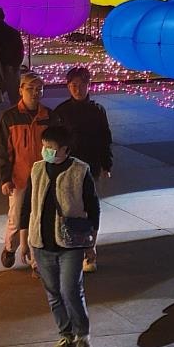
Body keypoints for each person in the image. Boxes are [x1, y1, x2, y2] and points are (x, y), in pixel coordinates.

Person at [19, 125, 99, 347]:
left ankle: (82, 336)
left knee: (70, 290)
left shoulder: (80, 171)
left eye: (51, 148)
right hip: (41, 243)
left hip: (71, 243)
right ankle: (67, 337)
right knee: (53, 292)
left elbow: (93, 208)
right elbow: (27, 208)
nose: (46, 152)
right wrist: (24, 242)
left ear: (65, 149)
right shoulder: (36, 169)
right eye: (44, 147)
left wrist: (91, 242)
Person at [0, 72, 61, 270]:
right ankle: (10, 247)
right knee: (16, 218)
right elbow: (1, 151)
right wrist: (4, 178)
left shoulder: (50, 117)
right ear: (21, 90)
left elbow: (57, 147)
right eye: (30, 89)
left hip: (43, 178)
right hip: (19, 178)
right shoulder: (10, 118)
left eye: (39, 89)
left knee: (40, 217)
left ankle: (36, 258)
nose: (35, 93)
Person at [54, 66, 113, 273]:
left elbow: (105, 139)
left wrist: (107, 164)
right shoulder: (61, 112)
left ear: (89, 86)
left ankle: (90, 251)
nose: (77, 90)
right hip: (68, 168)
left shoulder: (97, 111)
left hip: (91, 167)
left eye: (81, 85)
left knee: (90, 209)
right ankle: (70, 247)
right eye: (73, 86)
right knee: (68, 208)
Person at [0, 7, 25, 105]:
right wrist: (15, 65)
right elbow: (20, 51)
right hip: (11, 69)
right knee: (14, 99)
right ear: (3, 17)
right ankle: (16, 118)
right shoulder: (13, 32)